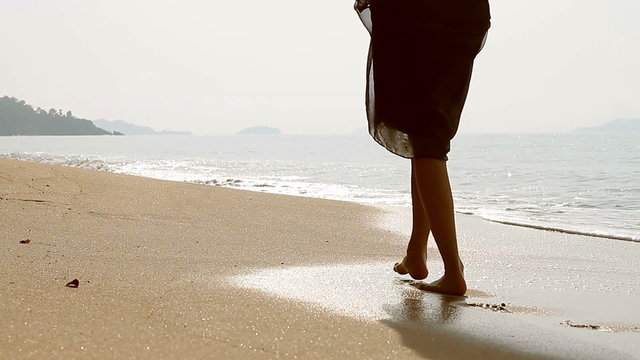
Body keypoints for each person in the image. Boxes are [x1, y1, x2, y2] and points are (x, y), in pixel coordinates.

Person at [355, 0, 491, 296]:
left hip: (421, 18)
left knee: (427, 141)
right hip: (464, 17)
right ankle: (416, 251)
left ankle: (454, 272)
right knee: (424, 136)